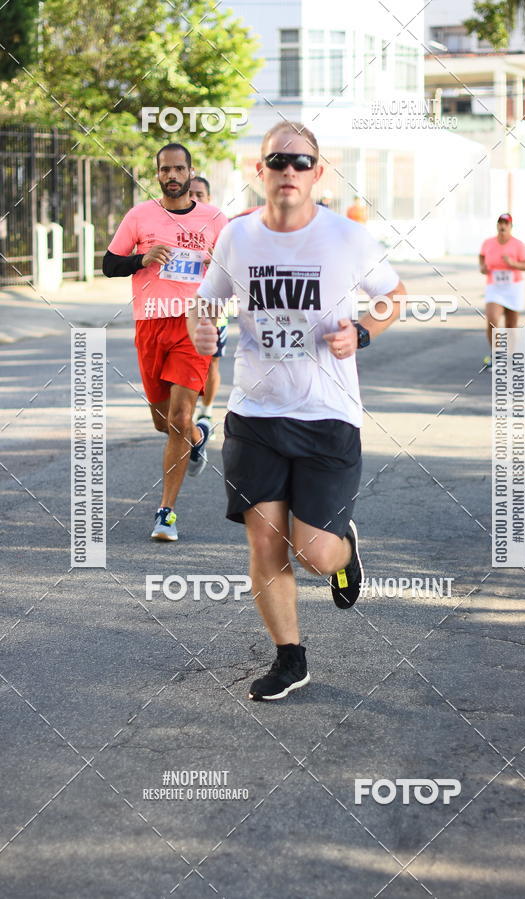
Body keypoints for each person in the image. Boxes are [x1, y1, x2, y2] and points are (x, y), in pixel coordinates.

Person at [189, 121, 404, 701]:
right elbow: (205, 304)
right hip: (254, 414)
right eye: (277, 161)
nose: (289, 171)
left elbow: (392, 296)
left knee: (313, 552)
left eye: (301, 162)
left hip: (328, 414)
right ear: (259, 171)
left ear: (318, 171)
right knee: (264, 542)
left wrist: (361, 330)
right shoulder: (236, 237)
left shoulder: (347, 237)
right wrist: (203, 330)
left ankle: (345, 549)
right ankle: (290, 658)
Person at [103, 144, 228, 540]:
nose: (172, 175)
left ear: (191, 172)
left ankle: (166, 513)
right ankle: (197, 437)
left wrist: (216, 264)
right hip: (150, 324)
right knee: (164, 423)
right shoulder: (140, 216)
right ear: (157, 174)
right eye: (164, 170)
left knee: (177, 418)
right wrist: (141, 260)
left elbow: (237, 270)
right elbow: (109, 265)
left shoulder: (215, 219)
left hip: (194, 324)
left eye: (179, 169)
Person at [189, 175, 228, 439]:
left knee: (211, 362)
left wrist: (218, 261)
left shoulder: (219, 224)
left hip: (213, 309)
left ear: (209, 198)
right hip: (177, 308)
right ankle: (184, 413)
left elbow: (235, 267)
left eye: (199, 195)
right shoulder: (172, 222)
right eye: (189, 193)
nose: (193, 199)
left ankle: (206, 410)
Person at [479, 213, 525, 368]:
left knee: (511, 325)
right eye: (500, 223)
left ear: (510, 227)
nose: (502, 226)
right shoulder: (488, 243)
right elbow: (481, 257)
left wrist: (513, 263)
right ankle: (497, 355)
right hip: (494, 286)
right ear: (497, 225)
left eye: (506, 223)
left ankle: (510, 356)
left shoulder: (518, 245)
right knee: (492, 320)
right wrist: (483, 267)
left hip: (513, 287)